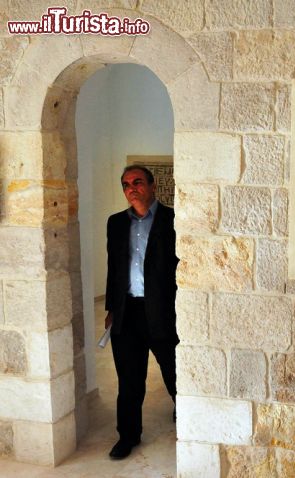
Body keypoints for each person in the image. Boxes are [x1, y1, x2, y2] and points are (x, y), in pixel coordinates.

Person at [104, 165, 179, 460]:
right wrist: (111, 309)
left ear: (151, 185)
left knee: (175, 372)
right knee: (130, 380)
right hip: (128, 313)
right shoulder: (116, 223)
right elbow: (114, 270)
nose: (131, 188)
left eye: (137, 182)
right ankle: (128, 436)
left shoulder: (173, 219)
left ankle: (187, 416)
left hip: (162, 312)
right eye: (125, 185)